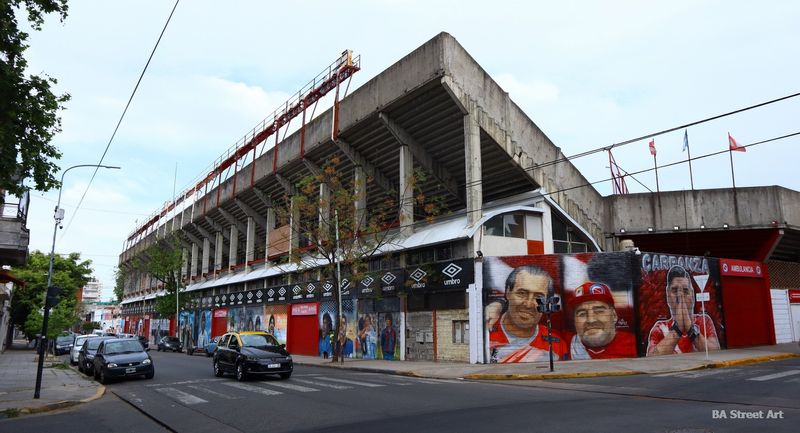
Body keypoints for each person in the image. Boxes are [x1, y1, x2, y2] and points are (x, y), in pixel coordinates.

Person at [488, 265, 568, 363]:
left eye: (539, 297)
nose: (528, 304)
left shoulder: (558, 345)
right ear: (508, 292)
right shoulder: (485, 334)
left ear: (547, 301)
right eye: (521, 293)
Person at [646, 265, 720, 356]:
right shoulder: (659, 328)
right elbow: (652, 357)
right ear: (668, 295)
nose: (680, 296)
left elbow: (715, 350)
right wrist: (677, 329)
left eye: (685, 291)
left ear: (692, 295)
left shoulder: (704, 321)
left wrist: (690, 328)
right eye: (674, 290)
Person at [567, 282, 636, 360]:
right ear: (574, 320)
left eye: (599, 311)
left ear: (614, 315)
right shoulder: (563, 345)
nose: (591, 320)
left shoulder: (634, 345)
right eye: (582, 314)